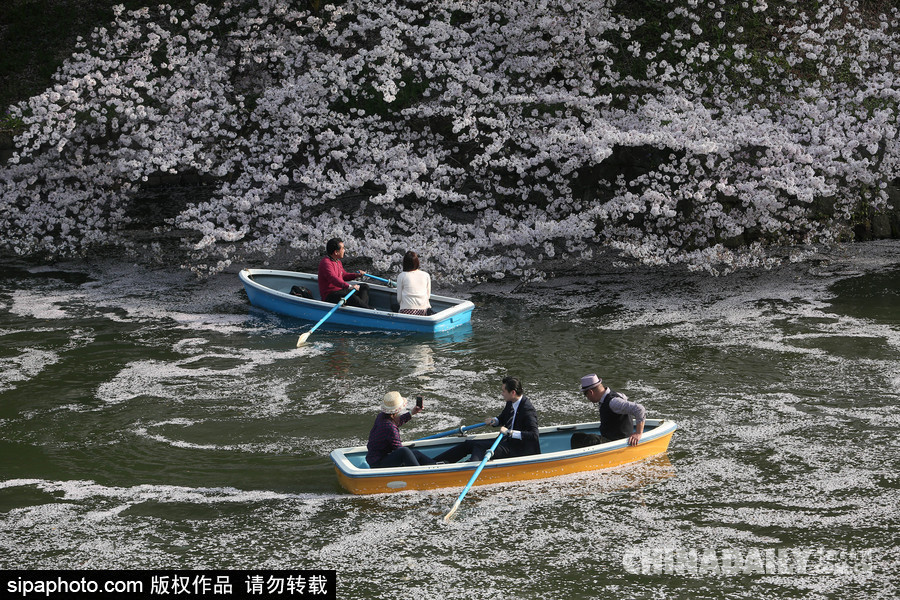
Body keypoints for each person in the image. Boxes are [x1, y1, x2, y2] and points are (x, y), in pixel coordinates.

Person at [433, 376, 540, 464]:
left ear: (512, 392)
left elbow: (534, 435)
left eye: (503, 391)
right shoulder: (510, 402)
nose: (502, 394)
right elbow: (503, 418)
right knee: (468, 444)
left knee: (479, 446)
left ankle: (468, 468)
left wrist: (509, 432)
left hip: (518, 450)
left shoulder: (527, 410)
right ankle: (434, 462)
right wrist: (495, 421)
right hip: (505, 442)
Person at [366, 392, 436, 468]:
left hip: (375, 458)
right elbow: (399, 449)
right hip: (378, 464)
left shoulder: (381, 417)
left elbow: (397, 422)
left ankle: (434, 464)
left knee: (415, 453)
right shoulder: (390, 428)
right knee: (405, 451)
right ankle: (420, 472)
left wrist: (412, 412)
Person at [574, 374, 646, 447]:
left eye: (585, 394)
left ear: (590, 392)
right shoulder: (610, 397)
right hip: (609, 439)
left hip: (619, 442)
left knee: (592, 439)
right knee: (577, 437)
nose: (587, 398)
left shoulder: (613, 402)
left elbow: (639, 409)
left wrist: (638, 433)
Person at [317, 237, 371, 309]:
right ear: (336, 252)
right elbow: (333, 278)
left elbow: (344, 275)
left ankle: (362, 308)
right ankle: (367, 309)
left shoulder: (337, 261)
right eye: (342, 249)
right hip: (330, 295)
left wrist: (356, 275)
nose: (344, 250)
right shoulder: (326, 263)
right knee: (352, 297)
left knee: (364, 287)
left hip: (341, 290)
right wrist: (349, 286)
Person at [395, 250, 433, 316]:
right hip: (424, 310)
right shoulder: (426, 275)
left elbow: (399, 299)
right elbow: (428, 296)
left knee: (393, 306)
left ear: (405, 263)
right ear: (417, 262)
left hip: (407, 310)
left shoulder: (401, 276)